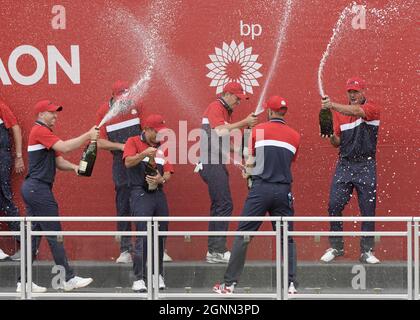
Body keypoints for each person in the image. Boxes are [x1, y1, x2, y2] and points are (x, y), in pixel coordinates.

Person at [213, 95, 300, 295]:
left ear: (269, 111)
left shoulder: (258, 131)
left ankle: (229, 285)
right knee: (287, 239)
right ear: (284, 112)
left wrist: (248, 172)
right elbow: (288, 160)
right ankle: (291, 284)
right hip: (284, 191)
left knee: (244, 235)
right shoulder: (295, 136)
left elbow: (252, 159)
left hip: (261, 190)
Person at [19, 100, 98, 293]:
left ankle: (24, 282)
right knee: (55, 235)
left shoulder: (46, 134)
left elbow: (59, 161)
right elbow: (65, 148)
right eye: (52, 113)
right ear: (41, 115)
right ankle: (68, 278)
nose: (56, 116)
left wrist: (74, 168)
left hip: (34, 189)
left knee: (33, 237)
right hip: (38, 190)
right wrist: (88, 135)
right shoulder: (40, 131)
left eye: (56, 113)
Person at [319, 77, 381, 264]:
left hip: (366, 164)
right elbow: (337, 142)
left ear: (363, 92)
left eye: (356, 91)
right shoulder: (340, 114)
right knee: (334, 205)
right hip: (344, 164)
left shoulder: (372, 108)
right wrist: (329, 135)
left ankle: (367, 251)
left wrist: (332, 105)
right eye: (350, 92)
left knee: (368, 209)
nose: (353, 95)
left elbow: (357, 111)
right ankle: (337, 247)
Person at [198, 82, 258, 264]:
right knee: (224, 204)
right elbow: (219, 130)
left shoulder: (224, 111)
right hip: (211, 162)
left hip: (214, 161)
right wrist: (245, 123)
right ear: (226, 94)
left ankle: (213, 250)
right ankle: (217, 250)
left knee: (220, 205)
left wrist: (239, 151)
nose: (238, 102)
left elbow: (219, 140)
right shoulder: (216, 106)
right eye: (237, 98)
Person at [123, 114, 174, 292]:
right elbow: (128, 162)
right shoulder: (133, 141)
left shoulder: (163, 147)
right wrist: (143, 154)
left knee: (161, 234)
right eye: (157, 132)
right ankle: (139, 278)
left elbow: (168, 172)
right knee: (143, 235)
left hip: (158, 193)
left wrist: (161, 179)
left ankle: (157, 274)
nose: (160, 136)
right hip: (139, 193)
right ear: (147, 130)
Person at [96, 80, 142, 264]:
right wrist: (123, 147)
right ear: (113, 97)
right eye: (121, 98)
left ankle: (148, 248)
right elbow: (100, 143)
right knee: (123, 204)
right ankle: (125, 250)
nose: (125, 101)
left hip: (139, 159)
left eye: (126, 97)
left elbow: (148, 131)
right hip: (120, 162)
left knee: (143, 201)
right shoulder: (103, 112)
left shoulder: (137, 105)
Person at [0, 98, 24, 261]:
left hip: (2, 155)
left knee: (5, 198)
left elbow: (15, 127)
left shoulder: (1, 106)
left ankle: (26, 245)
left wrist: (19, 156)